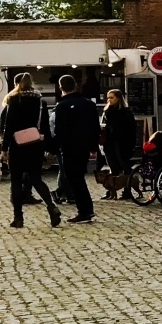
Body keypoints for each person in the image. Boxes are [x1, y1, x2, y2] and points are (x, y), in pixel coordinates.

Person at [1, 72, 61, 229]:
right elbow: (45, 126)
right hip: (35, 145)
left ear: (16, 84)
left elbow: (9, 126)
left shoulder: (14, 100)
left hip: (17, 145)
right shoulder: (40, 102)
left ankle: (18, 217)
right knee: (36, 179)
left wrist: (4, 147)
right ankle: (51, 207)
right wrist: (49, 147)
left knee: (16, 180)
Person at [52, 73, 98, 224]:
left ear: (61, 88)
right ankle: (86, 209)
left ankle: (84, 210)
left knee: (74, 179)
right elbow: (94, 127)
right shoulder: (89, 104)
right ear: (75, 86)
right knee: (79, 177)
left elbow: (60, 130)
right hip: (84, 147)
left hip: (69, 147)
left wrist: (54, 148)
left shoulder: (62, 106)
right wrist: (93, 146)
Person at [100, 90, 135, 191]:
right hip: (109, 142)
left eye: (112, 97)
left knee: (125, 166)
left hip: (121, 143)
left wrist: (131, 145)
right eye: (108, 98)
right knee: (112, 166)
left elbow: (131, 130)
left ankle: (127, 190)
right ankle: (112, 190)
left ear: (118, 98)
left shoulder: (126, 112)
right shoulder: (107, 111)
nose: (109, 100)